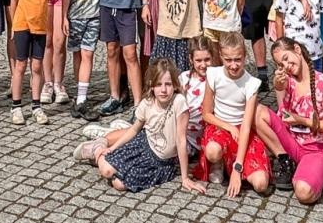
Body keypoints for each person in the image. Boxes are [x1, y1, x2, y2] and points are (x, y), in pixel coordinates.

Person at [77, 59, 204, 194]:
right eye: (159, 84)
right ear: (152, 86)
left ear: (175, 86)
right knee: (107, 171)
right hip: (143, 146)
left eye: (168, 84)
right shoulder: (147, 103)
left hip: (162, 163)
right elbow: (134, 129)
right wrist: (113, 148)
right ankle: (98, 150)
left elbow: (181, 140)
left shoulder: (179, 102)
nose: (163, 89)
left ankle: (103, 159)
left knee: (120, 185)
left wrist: (184, 178)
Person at [252, 38, 323, 205]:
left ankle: (318, 173)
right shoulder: (288, 80)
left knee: (303, 193)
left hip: (316, 148)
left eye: (286, 58)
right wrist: (277, 82)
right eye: (280, 64)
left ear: (297, 50)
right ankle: (285, 160)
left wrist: (301, 120)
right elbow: (279, 86)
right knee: (258, 111)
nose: (286, 66)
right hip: (291, 143)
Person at [198, 33, 271, 197]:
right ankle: (220, 162)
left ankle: (234, 167)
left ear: (245, 56)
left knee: (260, 184)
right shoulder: (214, 75)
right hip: (220, 126)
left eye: (238, 59)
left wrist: (238, 169)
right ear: (221, 56)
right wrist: (229, 127)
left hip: (242, 131)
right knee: (212, 151)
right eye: (228, 60)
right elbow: (206, 114)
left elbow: (246, 126)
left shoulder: (251, 83)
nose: (233, 65)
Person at [8, 0, 56, 125]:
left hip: (40, 27)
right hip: (22, 25)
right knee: (20, 65)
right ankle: (16, 105)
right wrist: (13, 24)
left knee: (37, 66)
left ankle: (36, 105)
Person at [179, 40, 213, 168]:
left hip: (205, 135)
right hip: (185, 134)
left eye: (207, 59)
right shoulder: (184, 78)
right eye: (198, 60)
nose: (203, 65)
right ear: (191, 59)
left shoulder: (215, 78)